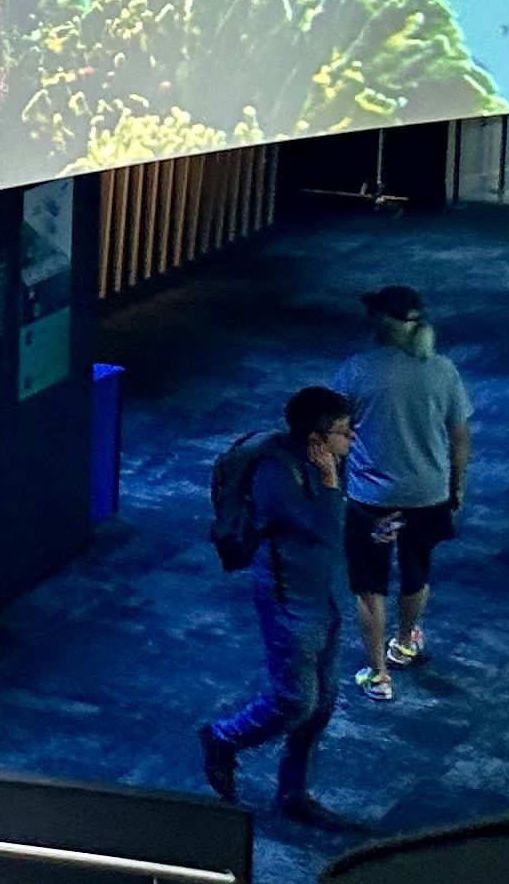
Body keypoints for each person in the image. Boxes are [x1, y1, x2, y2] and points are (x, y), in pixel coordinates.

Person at [200, 385, 355, 822]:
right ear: (316, 440)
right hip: (292, 604)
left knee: (323, 704)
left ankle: (293, 792)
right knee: (295, 702)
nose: (352, 441)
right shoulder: (275, 473)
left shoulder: (318, 464)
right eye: (344, 433)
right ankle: (223, 738)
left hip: (325, 599)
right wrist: (329, 483)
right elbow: (320, 528)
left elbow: (334, 527)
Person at [331, 283, 474, 702]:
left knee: (369, 583)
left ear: (377, 321)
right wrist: (456, 486)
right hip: (427, 496)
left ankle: (378, 675)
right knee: (417, 570)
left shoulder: (356, 370)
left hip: (372, 500)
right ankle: (406, 644)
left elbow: (332, 430)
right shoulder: (443, 370)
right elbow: (460, 437)